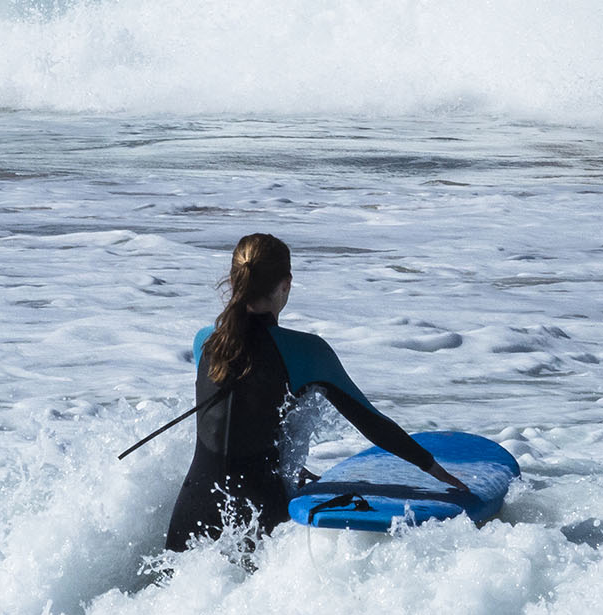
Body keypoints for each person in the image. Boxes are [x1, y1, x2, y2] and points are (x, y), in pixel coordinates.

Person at [164, 233, 466, 551]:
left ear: (234, 279)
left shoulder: (204, 341)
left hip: (192, 507)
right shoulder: (308, 351)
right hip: (257, 511)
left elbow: (233, 416)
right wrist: (434, 469)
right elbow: (372, 423)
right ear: (286, 285)